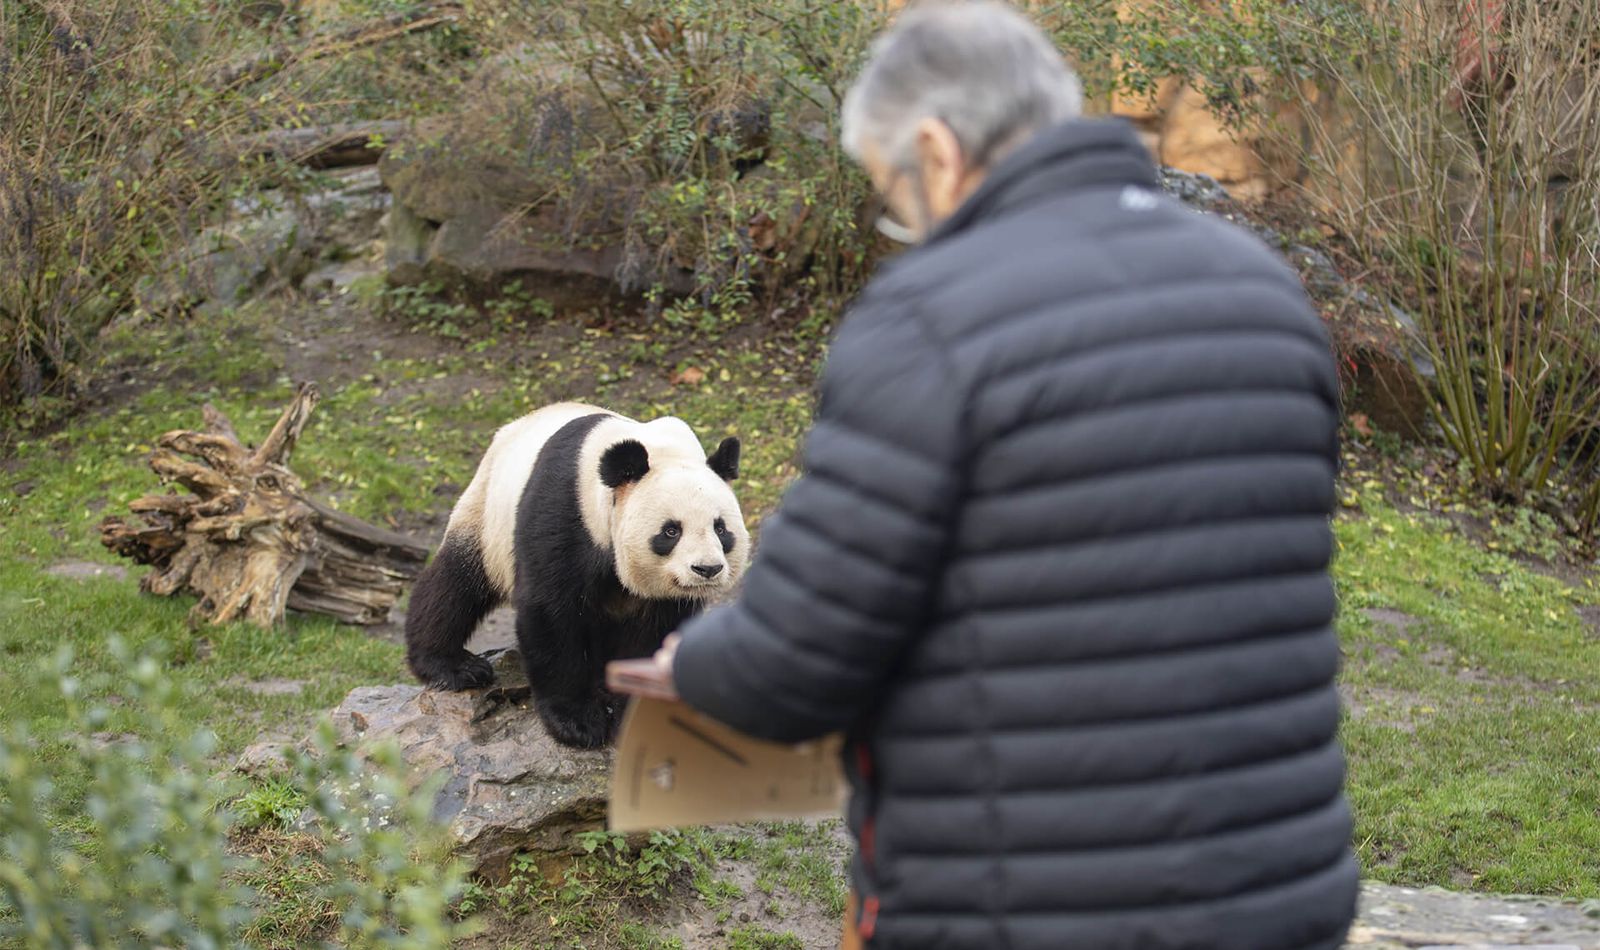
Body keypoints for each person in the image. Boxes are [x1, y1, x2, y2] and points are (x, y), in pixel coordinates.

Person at [654, 2, 1359, 946]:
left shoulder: (931, 319)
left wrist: (693, 661)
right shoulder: (1262, 290)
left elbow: (799, 663)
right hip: (1278, 896)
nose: (903, 225)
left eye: (890, 197)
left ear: (936, 152)